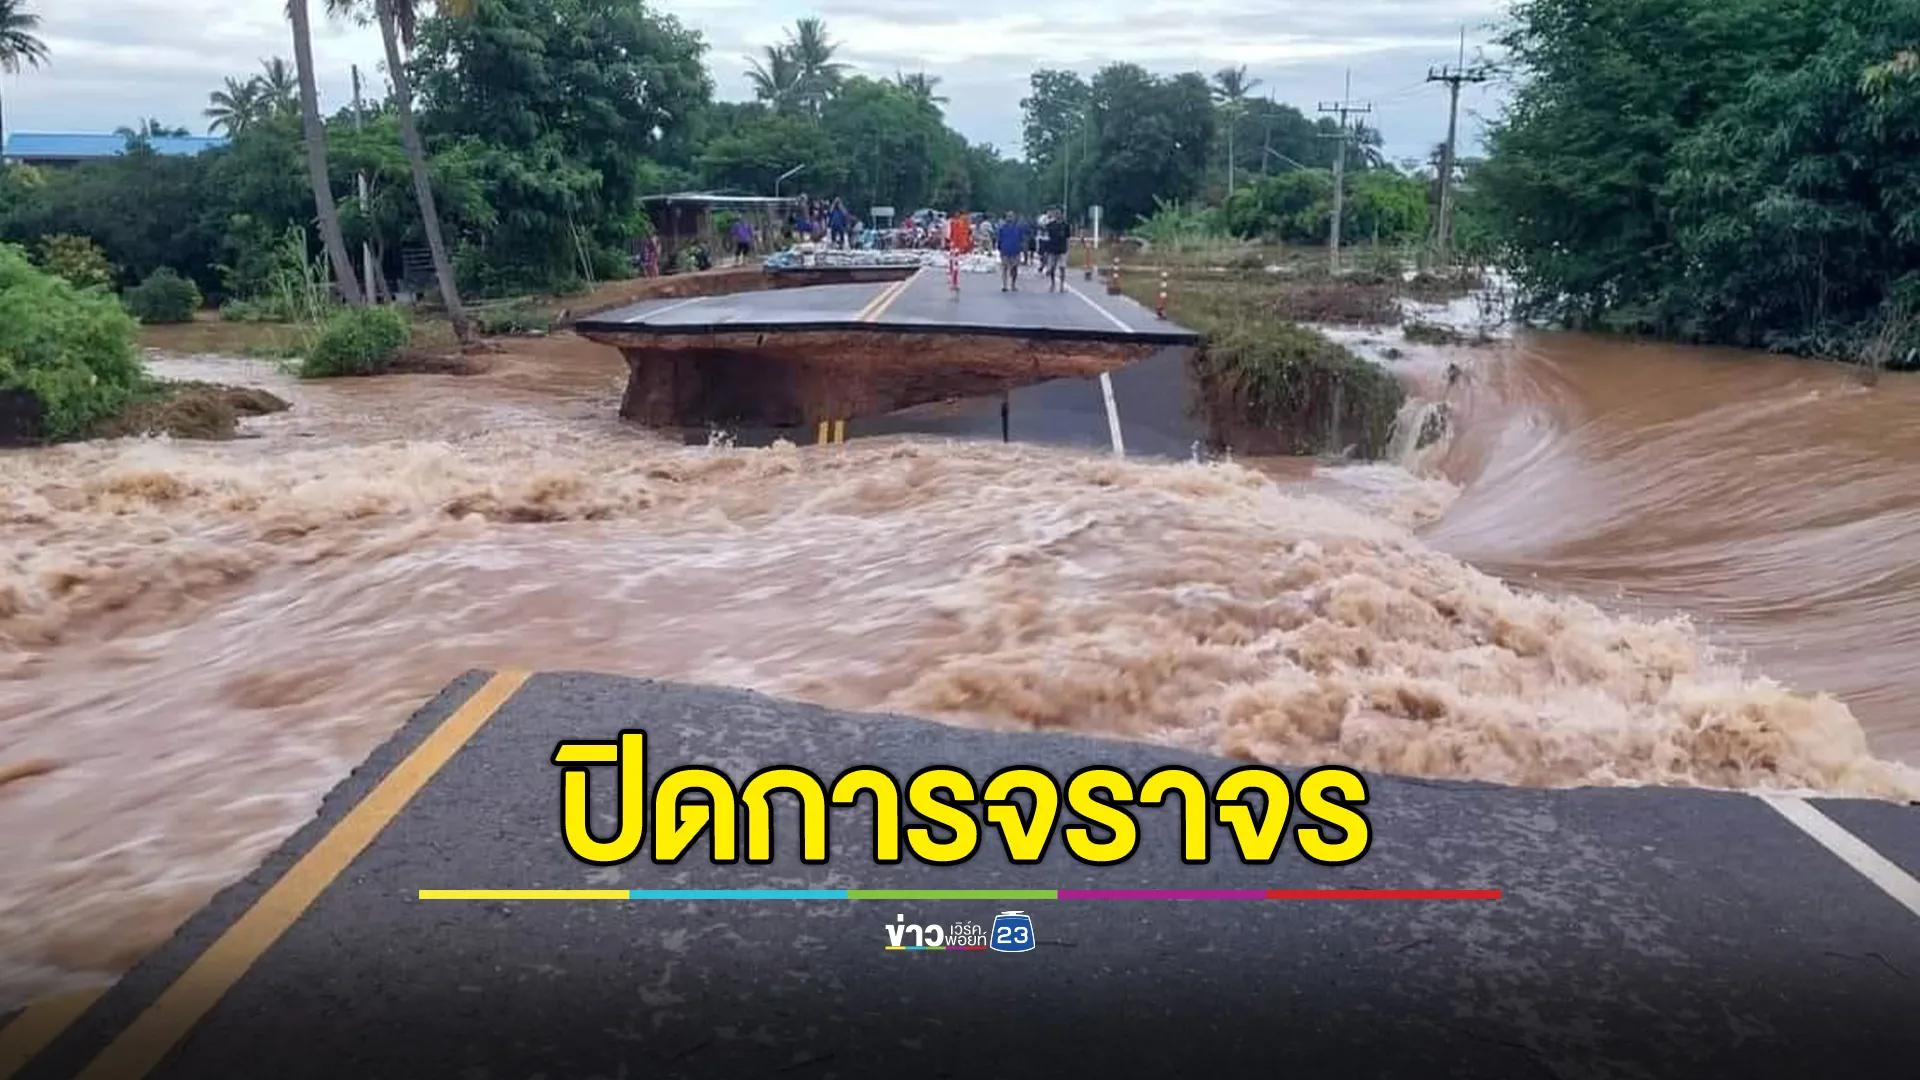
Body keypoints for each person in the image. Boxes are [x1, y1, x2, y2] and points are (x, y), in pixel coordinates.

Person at [1040, 208, 1073, 291]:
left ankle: (1062, 285)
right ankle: (1052, 284)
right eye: (1056, 214)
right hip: (1052, 249)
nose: (1057, 215)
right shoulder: (1051, 225)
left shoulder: (1066, 225)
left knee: (1062, 268)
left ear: (1062, 215)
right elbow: (1045, 233)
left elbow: (1068, 238)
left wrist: (1068, 250)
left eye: (1059, 214)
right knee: (1052, 268)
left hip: (1062, 249)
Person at [997, 210, 1027, 291]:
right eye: (1008, 216)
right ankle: (1004, 285)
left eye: (1011, 216)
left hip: (1015, 250)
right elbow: (999, 239)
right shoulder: (1002, 228)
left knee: (1014, 268)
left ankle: (1013, 284)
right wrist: (999, 248)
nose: (1010, 218)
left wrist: (1022, 249)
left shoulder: (1018, 228)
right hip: (1005, 250)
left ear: (1014, 217)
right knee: (1004, 267)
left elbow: (1022, 239)